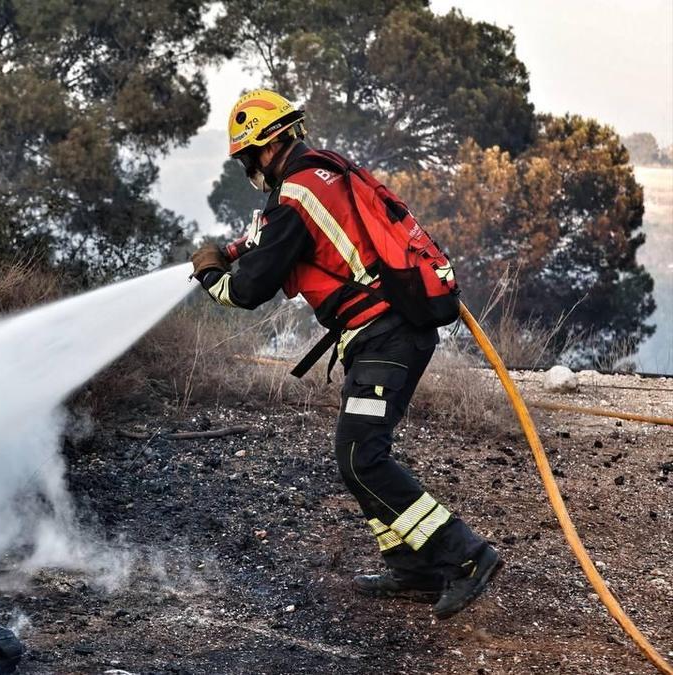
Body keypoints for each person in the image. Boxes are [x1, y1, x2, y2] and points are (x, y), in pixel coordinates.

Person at [191, 89, 501, 619]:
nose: (248, 167)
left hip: (387, 336)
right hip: (385, 334)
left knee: (361, 458)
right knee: (360, 456)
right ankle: (411, 568)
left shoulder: (295, 194)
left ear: (265, 147)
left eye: (247, 156)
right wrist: (238, 248)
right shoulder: (321, 174)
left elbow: (247, 291)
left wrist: (210, 274)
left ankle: (467, 556)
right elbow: (286, 238)